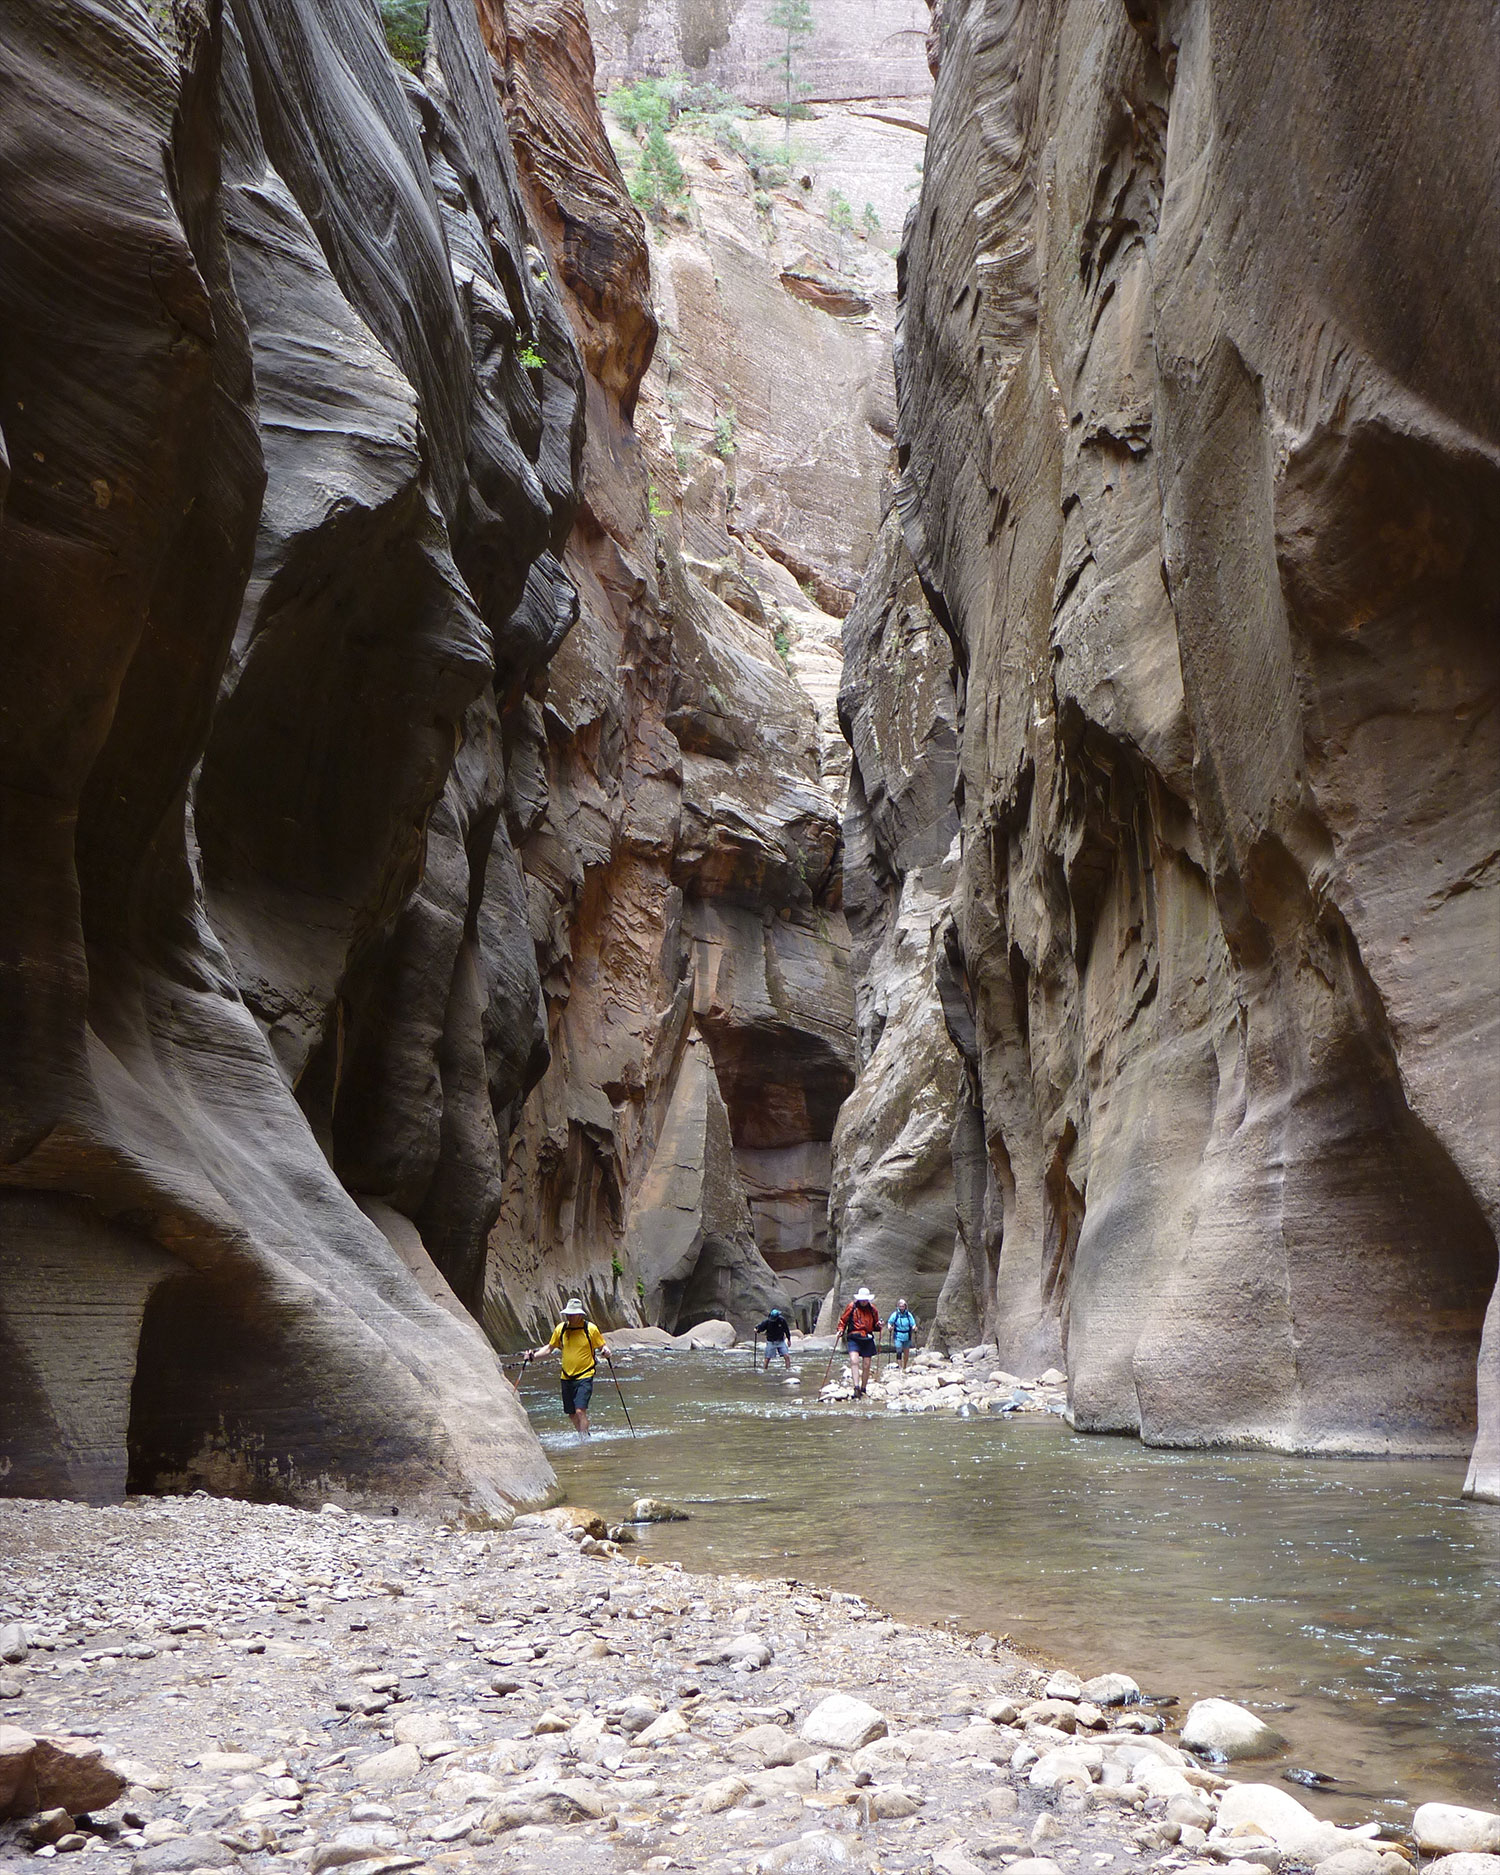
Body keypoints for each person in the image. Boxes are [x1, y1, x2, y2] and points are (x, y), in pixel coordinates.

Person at [529, 1298, 608, 1439]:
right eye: (568, 1314)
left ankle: (583, 1440)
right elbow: (549, 1348)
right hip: (566, 1376)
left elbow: (603, 1346)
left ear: (580, 1314)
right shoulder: (561, 1329)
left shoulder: (590, 1329)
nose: (569, 1316)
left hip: (585, 1375)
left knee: (579, 1411)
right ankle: (584, 1435)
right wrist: (533, 1356)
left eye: (573, 1314)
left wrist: (606, 1352)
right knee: (571, 1414)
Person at [836, 1286, 882, 1397]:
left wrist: (879, 1325)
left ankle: (863, 1388)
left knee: (866, 1364)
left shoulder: (872, 1309)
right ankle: (856, 1387)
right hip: (854, 1337)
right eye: (862, 1299)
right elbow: (843, 1320)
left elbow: (875, 1325)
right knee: (854, 1360)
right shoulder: (852, 1307)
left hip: (867, 1338)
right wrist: (840, 1330)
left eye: (865, 1299)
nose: (864, 1301)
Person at [756, 1307, 793, 1371]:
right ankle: (764, 1370)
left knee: (787, 1356)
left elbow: (786, 1330)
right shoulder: (767, 1321)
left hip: (781, 1341)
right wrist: (757, 1330)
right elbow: (760, 1328)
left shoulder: (782, 1321)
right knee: (767, 1359)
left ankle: (788, 1370)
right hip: (771, 1342)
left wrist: (789, 1340)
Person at [889, 1298, 917, 1370]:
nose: (901, 1308)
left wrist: (914, 1327)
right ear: (898, 1306)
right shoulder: (895, 1314)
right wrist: (890, 1327)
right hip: (898, 1335)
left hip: (907, 1335)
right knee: (898, 1351)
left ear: (905, 1306)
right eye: (900, 1306)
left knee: (906, 1352)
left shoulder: (908, 1314)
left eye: (903, 1306)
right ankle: (900, 1367)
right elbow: (890, 1322)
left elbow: (912, 1323)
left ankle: (905, 1366)